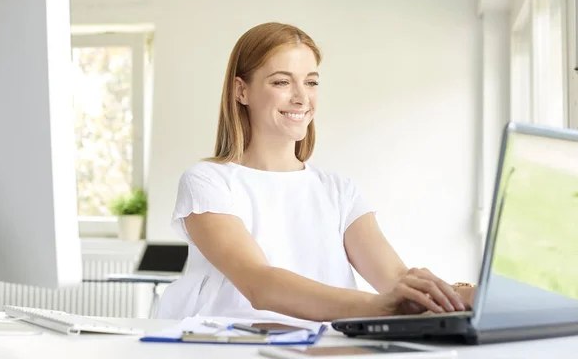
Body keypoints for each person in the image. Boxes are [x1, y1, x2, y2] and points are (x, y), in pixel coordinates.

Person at [155, 22, 475, 322]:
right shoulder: (208, 182)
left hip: (322, 348)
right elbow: (259, 284)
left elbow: (395, 280)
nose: (301, 97)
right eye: (282, 81)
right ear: (241, 91)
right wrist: (377, 306)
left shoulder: (339, 191)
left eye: (311, 82)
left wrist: (469, 294)